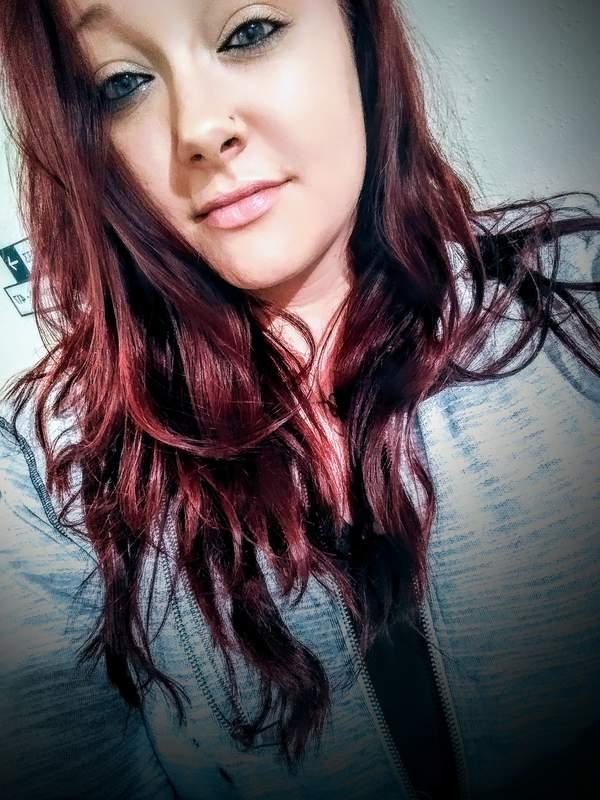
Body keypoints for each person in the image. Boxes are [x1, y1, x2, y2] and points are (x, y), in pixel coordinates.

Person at [0, 1, 598, 798]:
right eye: (122, 83)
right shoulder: (45, 471)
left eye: (248, 31)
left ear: (357, 33)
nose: (199, 129)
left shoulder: (578, 307)